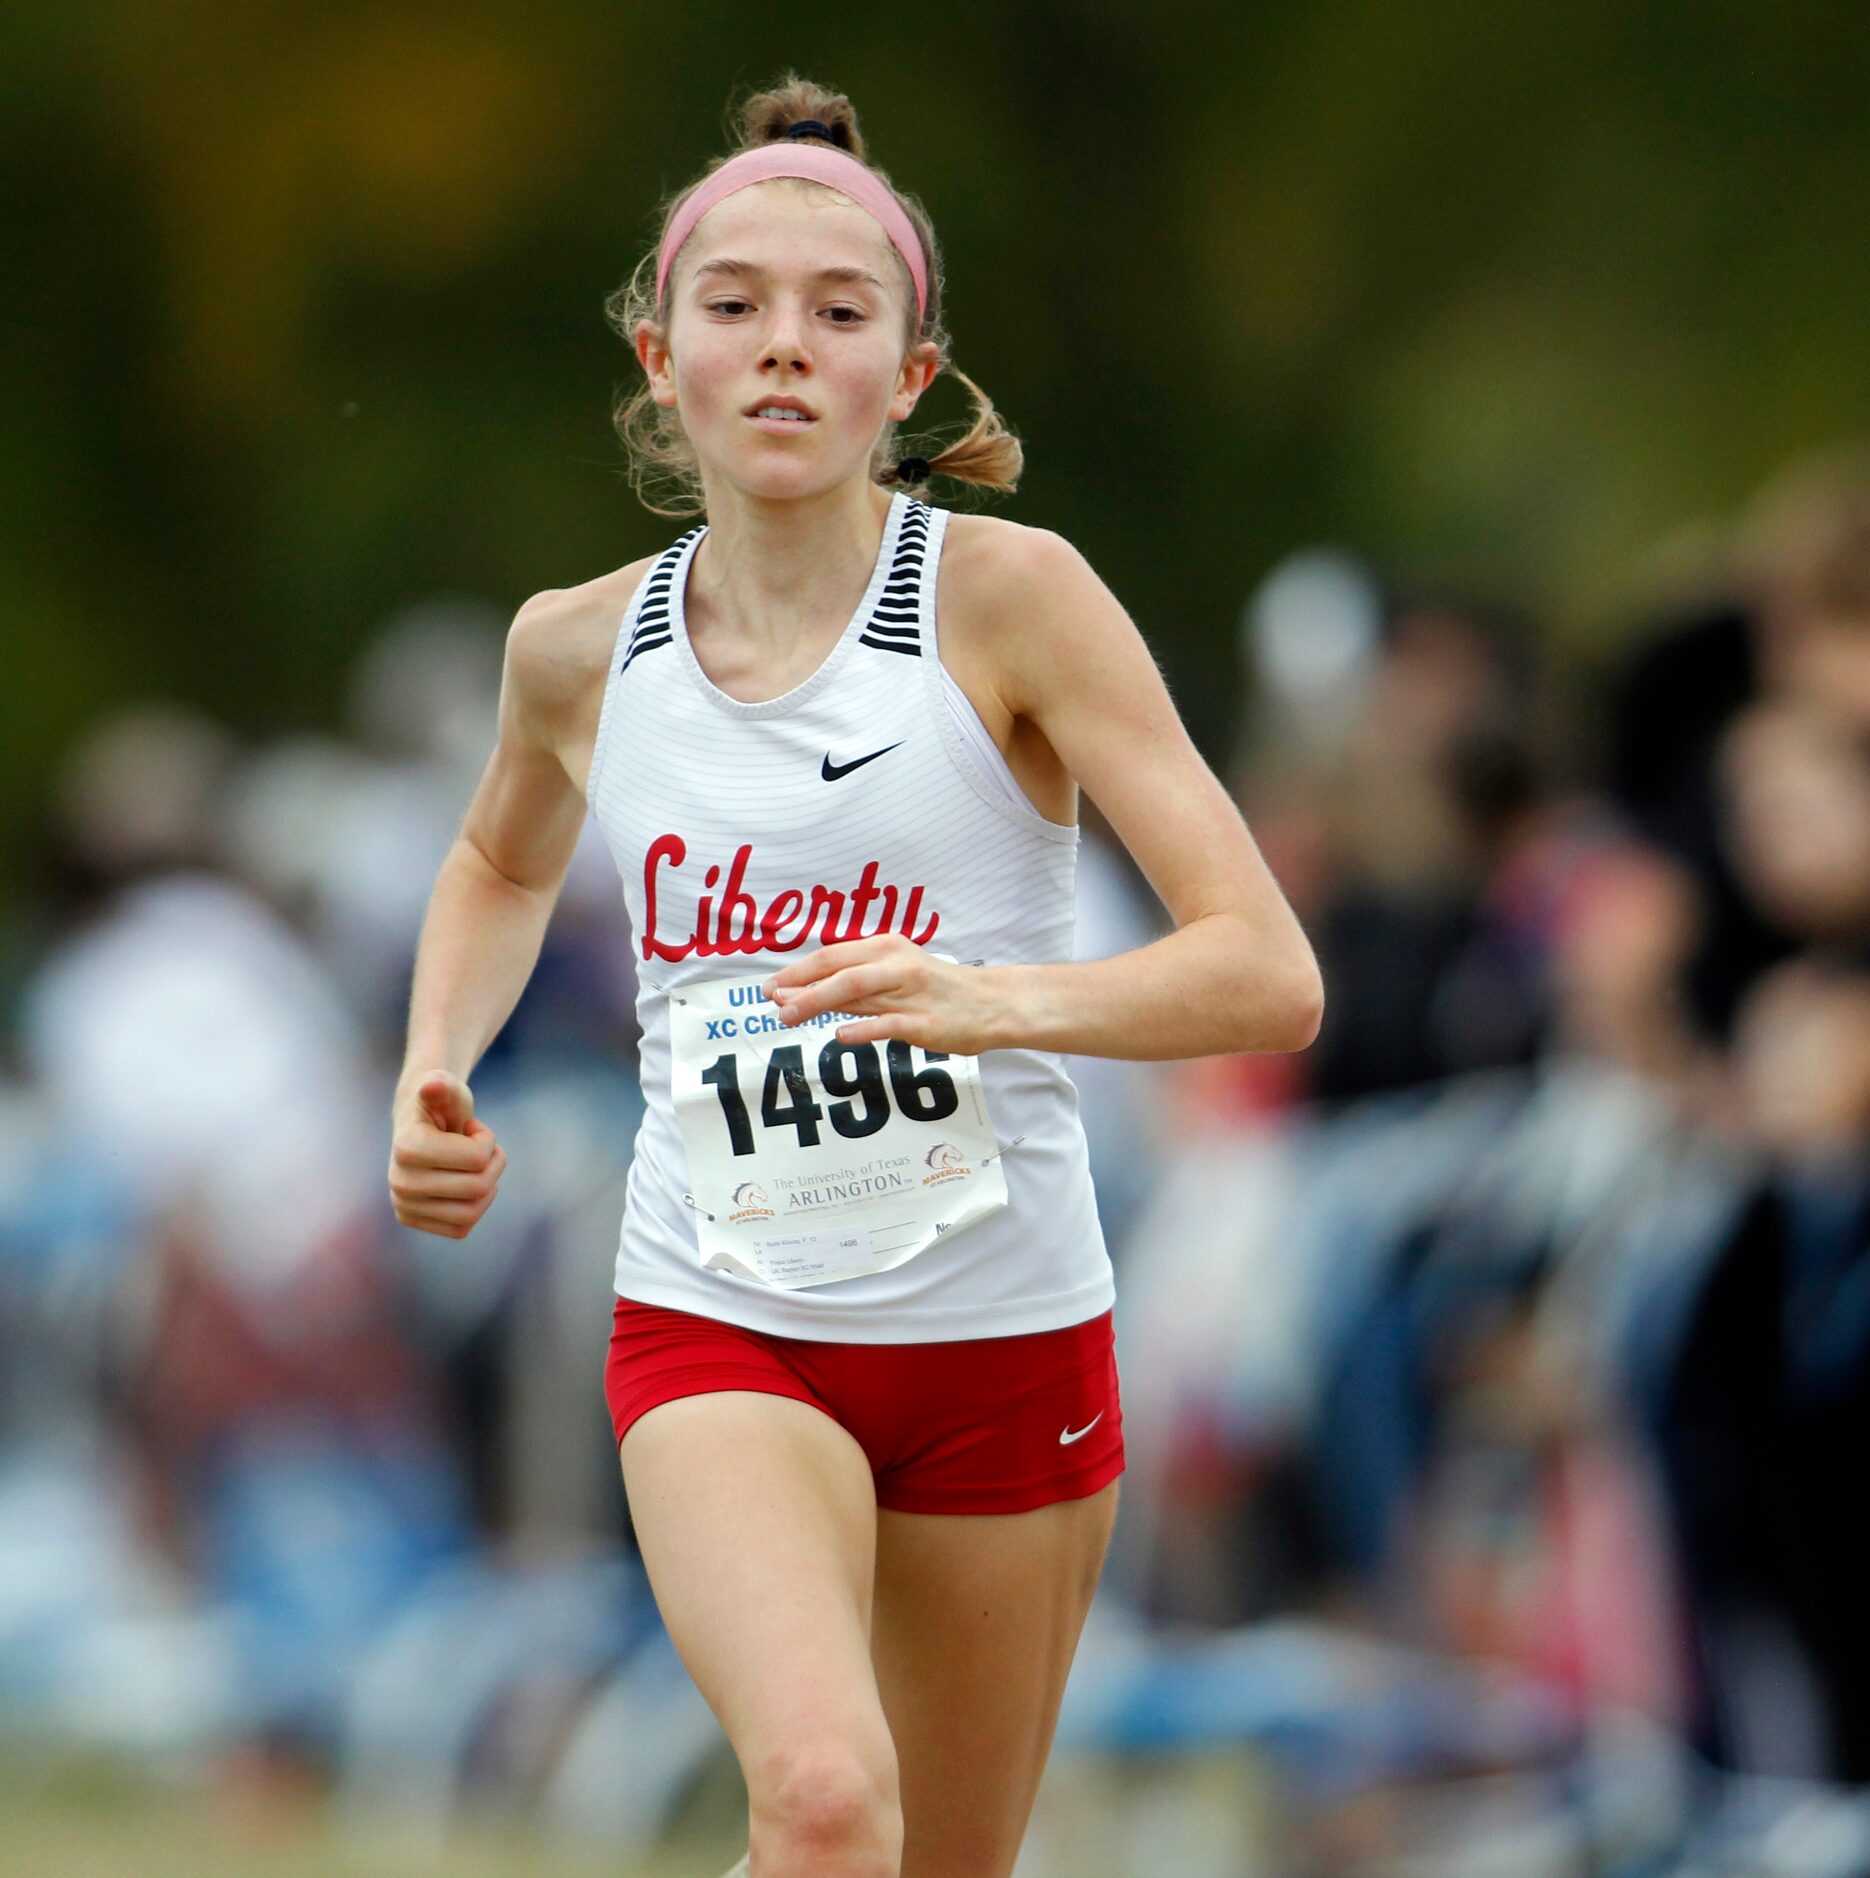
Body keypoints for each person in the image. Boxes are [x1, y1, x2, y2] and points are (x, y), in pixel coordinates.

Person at [383, 77, 1321, 1878]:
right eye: (735, 305)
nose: (785, 349)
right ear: (662, 357)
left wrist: (992, 1002)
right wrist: (437, 1056)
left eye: (840, 310)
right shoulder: (576, 650)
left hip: (1003, 1333)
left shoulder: (1012, 601)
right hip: (717, 1309)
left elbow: (1264, 975)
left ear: (911, 369)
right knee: (821, 1802)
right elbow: (499, 855)